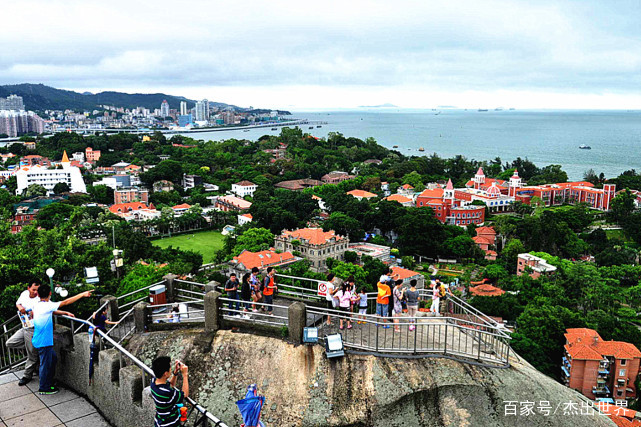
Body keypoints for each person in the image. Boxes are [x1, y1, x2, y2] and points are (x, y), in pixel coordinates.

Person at [32, 284, 93, 395]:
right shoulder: (45, 306)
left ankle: (48, 381)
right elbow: (65, 302)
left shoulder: (39, 305)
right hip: (43, 341)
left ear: (38, 294)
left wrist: (64, 313)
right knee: (45, 364)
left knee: (53, 359)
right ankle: (44, 388)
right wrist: (82, 294)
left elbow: (52, 310)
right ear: (50, 293)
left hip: (41, 339)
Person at [6, 282, 40, 386]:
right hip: (24, 327)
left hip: (33, 328)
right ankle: (31, 350)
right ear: (28, 288)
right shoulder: (24, 293)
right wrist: (20, 307)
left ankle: (27, 376)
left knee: (32, 355)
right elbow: (18, 303)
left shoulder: (39, 299)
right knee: (10, 343)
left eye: (37, 290)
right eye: (33, 289)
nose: (35, 292)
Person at [151, 356, 189, 427]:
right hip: (170, 424)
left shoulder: (153, 382)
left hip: (159, 421)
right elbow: (185, 394)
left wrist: (175, 373)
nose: (171, 369)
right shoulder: (166, 393)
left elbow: (170, 385)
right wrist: (185, 375)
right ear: (165, 373)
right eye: (170, 368)